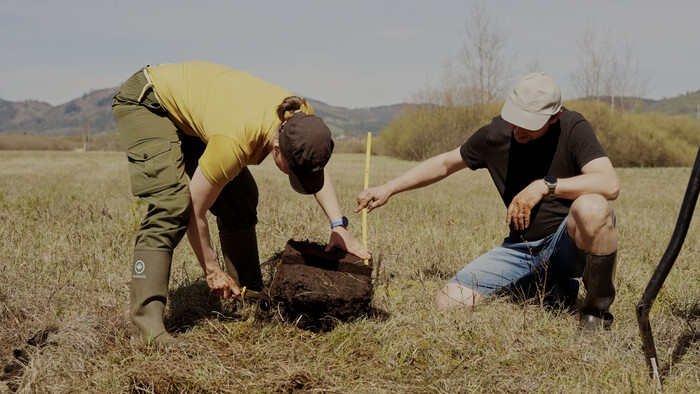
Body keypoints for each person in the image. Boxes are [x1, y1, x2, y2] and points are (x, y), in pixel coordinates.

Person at [112, 61, 371, 346]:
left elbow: (312, 165)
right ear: (276, 148)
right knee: (172, 204)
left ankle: (247, 294)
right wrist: (211, 269)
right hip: (150, 102)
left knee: (240, 197)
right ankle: (146, 330)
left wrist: (338, 225)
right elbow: (194, 211)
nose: (296, 176)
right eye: (291, 170)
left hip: (198, 114)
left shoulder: (301, 119)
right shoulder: (233, 142)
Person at [356, 72, 619, 331]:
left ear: (554, 117)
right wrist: (389, 187)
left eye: (529, 122)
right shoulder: (494, 135)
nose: (517, 129)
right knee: (449, 302)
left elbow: (609, 183)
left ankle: (595, 314)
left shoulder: (573, 127)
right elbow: (446, 163)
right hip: (522, 249)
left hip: (568, 243)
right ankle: (550, 286)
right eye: (514, 118)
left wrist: (545, 186)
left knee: (593, 206)